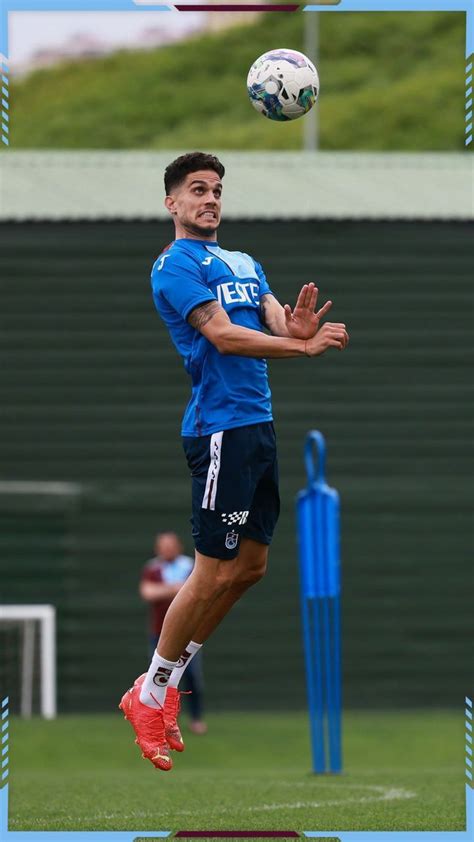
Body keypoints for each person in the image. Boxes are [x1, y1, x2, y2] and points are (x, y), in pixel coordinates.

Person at [119, 151, 349, 772]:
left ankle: (161, 686)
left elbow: (276, 321)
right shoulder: (174, 265)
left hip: (258, 430)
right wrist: (299, 351)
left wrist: (297, 328)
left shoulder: (245, 262)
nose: (210, 199)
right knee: (211, 570)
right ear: (172, 203)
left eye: (216, 189)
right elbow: (224, 336)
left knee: (249, 569)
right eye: (197, 190)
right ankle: (149, 692)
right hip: (217, 431)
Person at [140, 531, 207, 735]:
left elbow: (201, 590)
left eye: (171, 545)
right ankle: (159, 719)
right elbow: (148, 592)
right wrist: (178, 589)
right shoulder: (153, 568)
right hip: (160, 633)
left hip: (189, 633)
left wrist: (167, 590)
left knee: (191, 677)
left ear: (179, 546)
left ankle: (196, 718)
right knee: (160, 677)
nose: (167, 549)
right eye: (163, 545)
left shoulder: (192, 566)